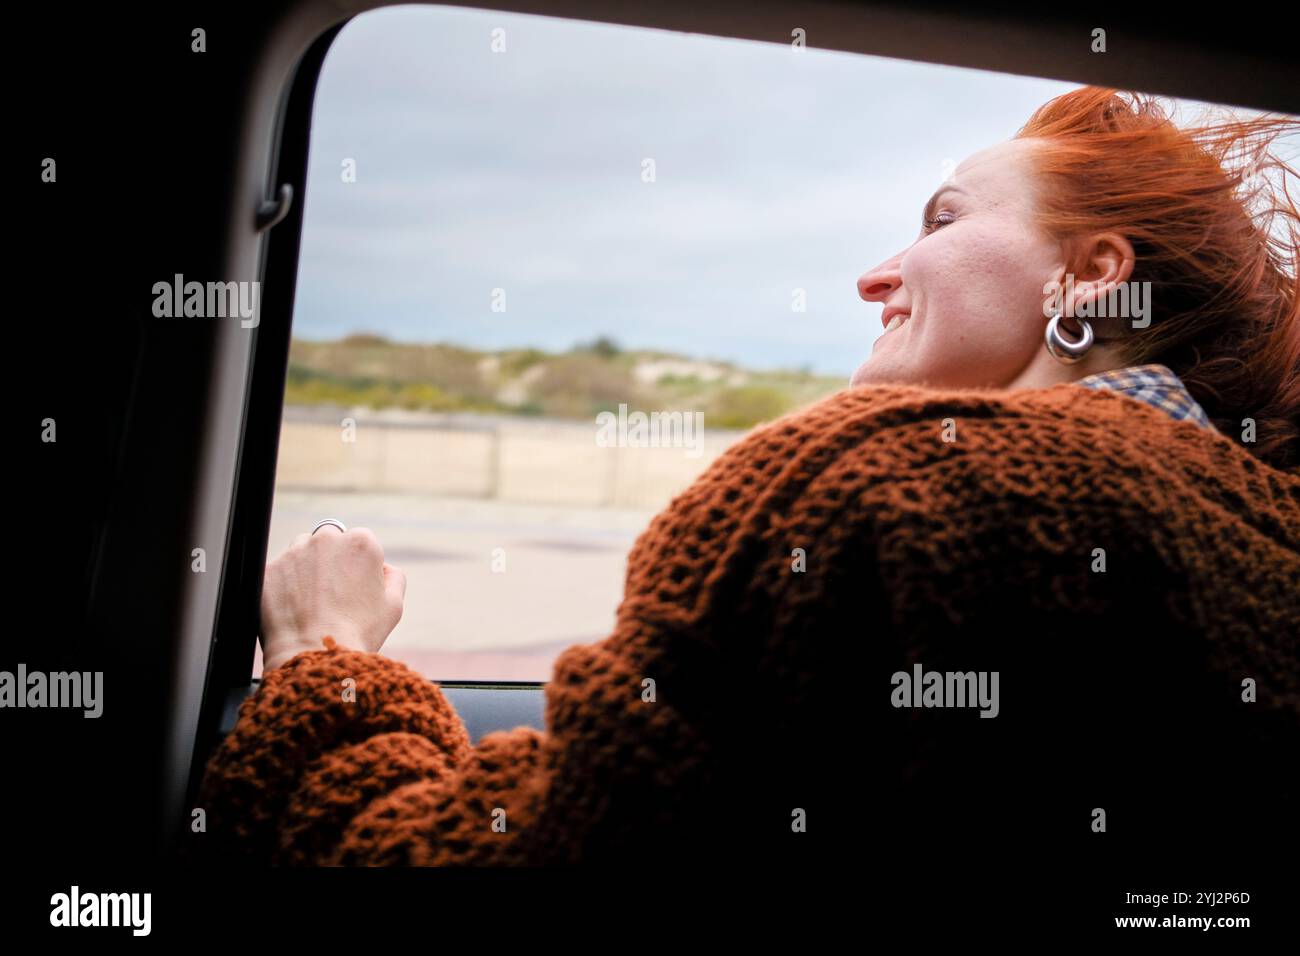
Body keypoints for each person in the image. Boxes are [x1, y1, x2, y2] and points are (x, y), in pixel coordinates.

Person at [189, 87, 1300, 872]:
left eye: (941, 221)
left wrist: (320, 660)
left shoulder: (890, 483)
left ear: (1091, 273)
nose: (876, 273)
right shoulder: (1261, 541)